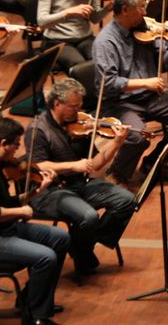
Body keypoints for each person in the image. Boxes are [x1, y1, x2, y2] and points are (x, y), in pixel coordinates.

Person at [92, 0, 168, 185]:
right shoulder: (105, 42)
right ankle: (118, 173)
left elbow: (166, 60)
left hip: (150, 97)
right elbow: (107, 83)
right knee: (137, 137)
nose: (145, 12)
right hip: (120, 103)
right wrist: (146, 82)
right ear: (125, 9)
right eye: (141, 7)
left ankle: (155, 162)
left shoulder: (146, 28)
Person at [25, 78, 137, 276]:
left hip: (79, 185)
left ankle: (81, 246)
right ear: (57, 104)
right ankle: (83, 250)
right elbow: (37, 165)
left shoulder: (79, 126)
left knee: (126, 200)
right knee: (88, 216)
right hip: (50, 191)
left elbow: (96, 163)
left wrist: (117, 143)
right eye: (73, 107)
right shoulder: (38, 129)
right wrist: (73, 165)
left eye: (80, 106)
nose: (78, 112)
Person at [0, 117, 68, 325]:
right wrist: (22, 212)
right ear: (4, 143)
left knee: (60, 238)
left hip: (5, 229)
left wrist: (39, 190)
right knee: (46, 257)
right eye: (16, 144)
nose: (18, 150)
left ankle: (31, 298)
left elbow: (8, 203)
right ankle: (37, 315)